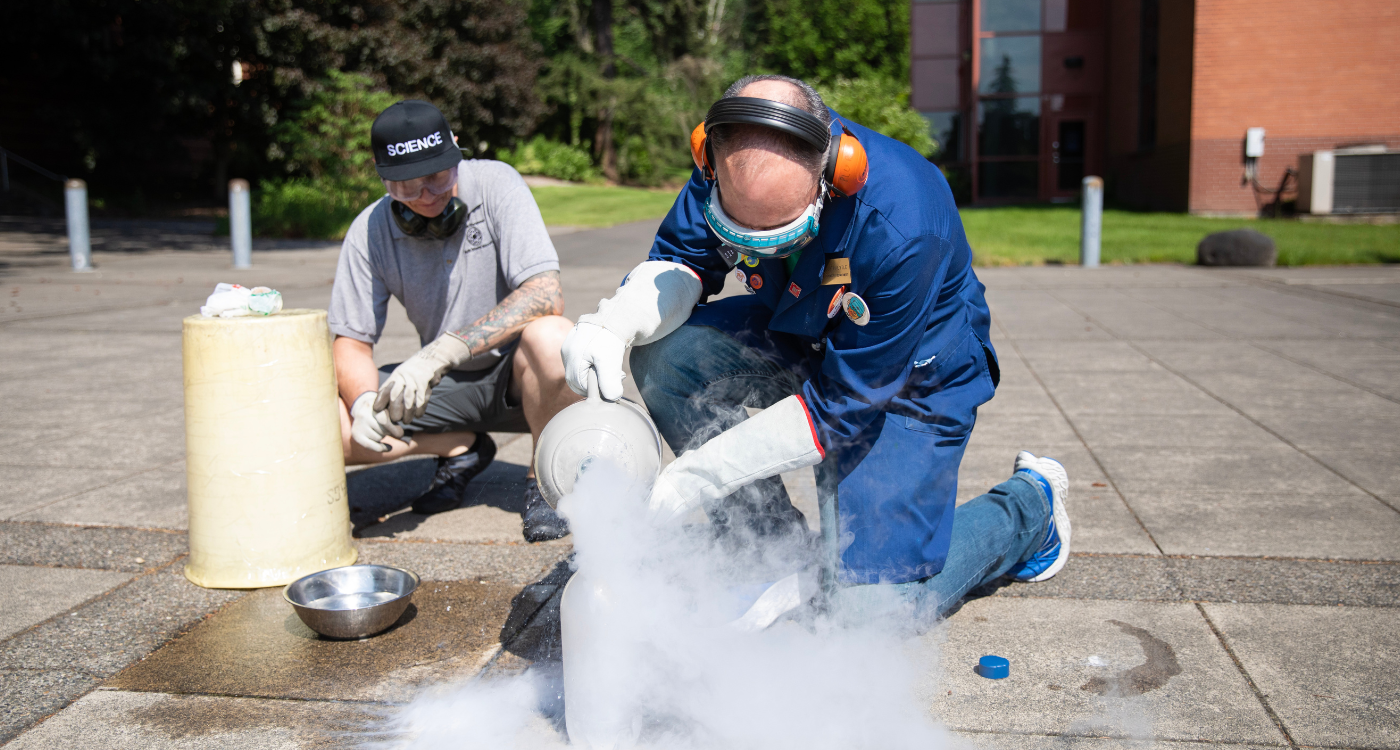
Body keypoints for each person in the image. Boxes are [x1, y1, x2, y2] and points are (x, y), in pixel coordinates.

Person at [560, 75, 1072, 621]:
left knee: (869, 615)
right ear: (709, 156)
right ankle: (766, 545)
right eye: (740, 235)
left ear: (834, 177)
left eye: (779, 236)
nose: (756, 248)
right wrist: (613, 322)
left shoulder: (904, 224)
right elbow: (683, 259)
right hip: (804, 330)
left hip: (904, 381)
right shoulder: (732, 158)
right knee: (664, 358)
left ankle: (1030, 509)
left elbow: (840, 407)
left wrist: (697, 477)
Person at [329, 99, 577, 542]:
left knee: (556, 337)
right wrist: (364, 401)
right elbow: (351, 341)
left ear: (456, 150)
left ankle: (547, 479)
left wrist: (444, 350)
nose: (427, 195)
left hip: (521, 379)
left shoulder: (497, 183)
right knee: (323, 425)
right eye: (407, 187)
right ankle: (461, 447)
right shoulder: (368, 232)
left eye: (439, 177)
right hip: (443, 390)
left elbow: (546, 294)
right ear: (382, 176)